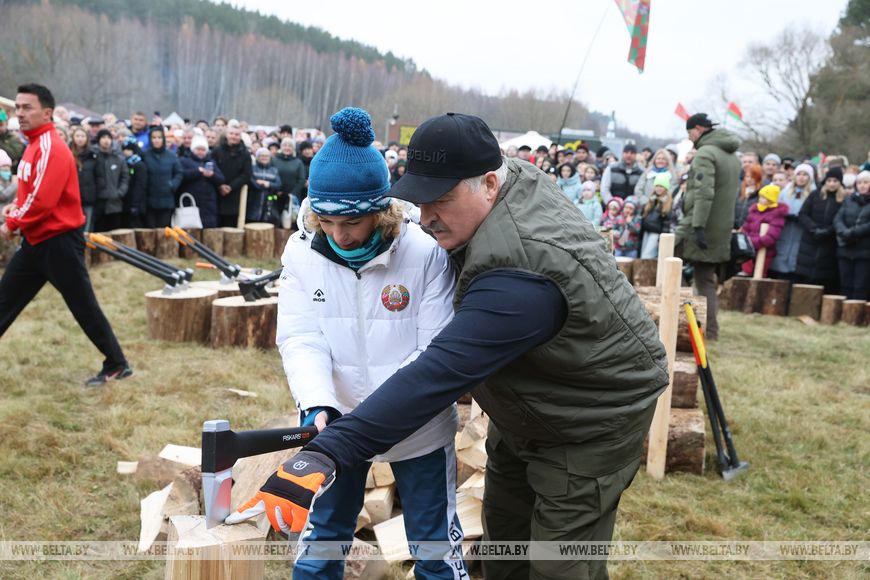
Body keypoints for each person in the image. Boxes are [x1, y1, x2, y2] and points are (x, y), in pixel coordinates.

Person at [229, 112, 669, 579]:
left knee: (556, 565)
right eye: (420, 199)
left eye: (441, 200)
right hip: (527, 401)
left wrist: (327, 450)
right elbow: (304, 334)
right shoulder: (490, 189)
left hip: (590, 413)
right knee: (505, 541)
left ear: (490, 185)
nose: (428, 217)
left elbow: (437, 373)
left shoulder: (519, 280)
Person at [242, 107, 466, 580]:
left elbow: (435, 349)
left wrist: (376, 417)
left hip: (418, 426)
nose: (339, 234)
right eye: (325, 220)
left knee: (434, 547)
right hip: (337, 426)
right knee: (322, 540)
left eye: (352, 222)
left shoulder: (423, 252)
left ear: (380, 210)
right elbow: (302, 337)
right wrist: (317, 403)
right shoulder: (301, 254)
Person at [0, 83, 131, 386]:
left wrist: (13, 222)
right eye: (17, 107)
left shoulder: (50, 147)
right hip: (36, 242)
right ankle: (117, 363)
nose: (20, 113)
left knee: (83, 305)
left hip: (59, 243)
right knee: (5, 300)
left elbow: (43, 201)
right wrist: (16, 208)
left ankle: (117, 364)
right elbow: (30, 192)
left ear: (47, 112)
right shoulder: (33, 145)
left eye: (27, 107)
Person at [674, 113, 741, 341]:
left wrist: (698, 226)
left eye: (690, 132)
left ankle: (682, 319)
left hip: (699, 225)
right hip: (721, 227)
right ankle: (711, 332)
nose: (689, 137)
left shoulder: (706, 153)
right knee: (705, 279)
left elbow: (704, 193)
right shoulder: (733, 156)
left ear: (699, 129)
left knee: (668, 262)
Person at [796, 167, 846, 292]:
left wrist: (829, 231)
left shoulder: (844, 199)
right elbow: (803, 214)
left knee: (825, 279)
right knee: (806, 277)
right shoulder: (815, 195)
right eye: (829, 180)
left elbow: (843, 219)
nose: (832, 184)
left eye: (835, 181)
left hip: (830, 242)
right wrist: (813, 229)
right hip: (810, 240)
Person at [769, 163, 815, 280]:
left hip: (801, 232)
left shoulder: (814, 194)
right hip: (785, 230)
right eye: (799, 174)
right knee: (780, 262)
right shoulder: (785, 192)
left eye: (805, 175)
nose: (801, 177)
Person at [834, 170, 870, 299]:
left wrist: (852, 232)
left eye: (866, 182)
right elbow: (838, 219)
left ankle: (855, 316)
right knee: (845, 284)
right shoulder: (849, 200)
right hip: (845, 248)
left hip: (864, 251)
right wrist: (843, 232)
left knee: (860, 285)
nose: (862, 185)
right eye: (860, 182)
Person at [739, 184, 788, 277]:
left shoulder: (776, 214)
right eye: (760, 197)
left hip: (765, 251)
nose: (760, 199)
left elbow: (771, 236)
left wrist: (753, 242)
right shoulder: (755, 210)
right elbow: (747, 226)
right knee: (745, 270)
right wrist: (744, 237)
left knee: (760, 273)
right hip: (750, 249)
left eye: (763, 197)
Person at [178, 136, 224, 229]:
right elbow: (182, 176)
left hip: (208, 204)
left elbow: (221, 179)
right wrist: (197, 172)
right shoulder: (184, 161)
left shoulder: (211, 162)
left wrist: (211, 175)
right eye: (198, 149)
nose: (200, 152)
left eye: (203, 150)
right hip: (191, 201)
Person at [141, 126, 182, 228]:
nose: (156, 140)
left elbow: (179, 172)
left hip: (166, 199)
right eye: (154, 138)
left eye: (159, 137)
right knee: (150, 230)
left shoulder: (171, 156)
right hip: (149, 199)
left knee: (164, 231)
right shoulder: (145, 155)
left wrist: (173, 185)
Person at [213, 125, 253, 227]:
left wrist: (230, 187)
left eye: (236, 134)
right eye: (231, 134)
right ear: (226, 135)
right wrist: (220, 185)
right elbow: (213, 168)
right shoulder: (217, 151)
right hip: (217, 192)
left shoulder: (245, 154)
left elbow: (246, 174)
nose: (233, 136)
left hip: (235, 194)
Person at [93, 128, 129, 232]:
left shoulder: (118, 158)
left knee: (115, 233)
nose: (106, 140)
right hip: (98, 202)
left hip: (115, 202)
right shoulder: (93, 156)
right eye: (103, 137)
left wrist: (120, 192)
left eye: (109, 137)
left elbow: (125, 177)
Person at [69, 126, 99, 232]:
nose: (80, 139)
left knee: (87, 227)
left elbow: (98, 176)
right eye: (77, 136)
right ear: (73, 137)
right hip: (72, 196)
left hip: (89, 196)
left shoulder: (93, 155)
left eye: (83, 136)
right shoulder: (67, 154)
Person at [640, 173, 675, 259]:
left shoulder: (667, 202)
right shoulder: (652, 200)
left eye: (661, 186)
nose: (658, 188)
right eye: (657, 186)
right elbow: (644, 216)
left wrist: (661, 238)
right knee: (642, 256)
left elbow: (667, 223)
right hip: (646, 232)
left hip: (656, 234)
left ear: (666, 188)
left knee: (647, 256)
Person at [272, 137, 306, 227]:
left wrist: (293, 193)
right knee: (275, 219)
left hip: (292, 197)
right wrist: (276, 190)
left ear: (293, 148)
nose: (287, 148)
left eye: (290, 146)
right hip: (276, 195)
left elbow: (301, 179)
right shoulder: (274, 159)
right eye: (285, 145)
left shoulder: (298, 162)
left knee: (291, 222)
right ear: (281, 147)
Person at [120, 137, 148, 229]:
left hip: (136, 204)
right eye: (124, 149)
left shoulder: (139, 165)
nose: (125, 152)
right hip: (127, 202)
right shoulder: (125, 163)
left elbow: (140, 185)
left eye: (128, 149)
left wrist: (135, 204)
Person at [247, 147, 282, 224]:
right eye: (261, 156)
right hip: (253, 200)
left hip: (269, 202)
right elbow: (250, 180)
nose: (264, 158)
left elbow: (278, 185)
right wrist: (259, 186)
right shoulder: (253, 168)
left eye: (266, 156)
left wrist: (268, 184)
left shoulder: (274, 170)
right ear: (257, 157)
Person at [735, 164, 763, 229]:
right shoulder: (738, 190)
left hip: (750, 230)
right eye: (747, 176)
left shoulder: (761, 193)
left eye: (753, 177)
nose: (749, 179)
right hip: (734, 228)